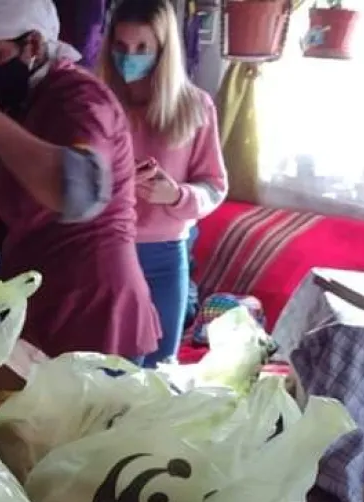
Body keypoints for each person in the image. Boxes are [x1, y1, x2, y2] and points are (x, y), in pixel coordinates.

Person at [0, 0, 161, 362]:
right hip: (38, 308)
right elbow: (7, 232)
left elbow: (79, 192)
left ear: (34, 45)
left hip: (93, 314)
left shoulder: (79, 98)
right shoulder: (25, 104)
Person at [99, 0, 228, 367]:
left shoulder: (195, 107)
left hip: (166, 257)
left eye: (142, 48)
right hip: (107, 250)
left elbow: (214, 186)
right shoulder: (98, 104)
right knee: (108, 371)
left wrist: (177, 195)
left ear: (164, 50)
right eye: (121, 47)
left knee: (159, 371)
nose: (129, 58)